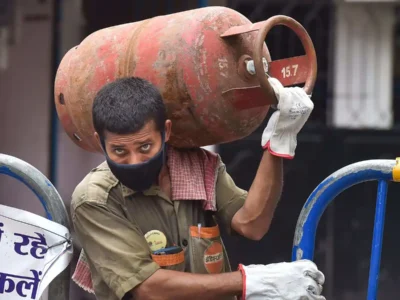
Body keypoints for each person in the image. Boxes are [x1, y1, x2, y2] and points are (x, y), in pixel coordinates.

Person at [70, 76, 326, 300]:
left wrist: (280, 141)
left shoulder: (196, 167)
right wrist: (254, 282)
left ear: (166, 132)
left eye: (145, 147)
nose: (134, 161)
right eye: (119, 151)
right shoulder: (95, 200)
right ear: (99, 142)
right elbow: (149, 289)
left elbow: (252, 224)